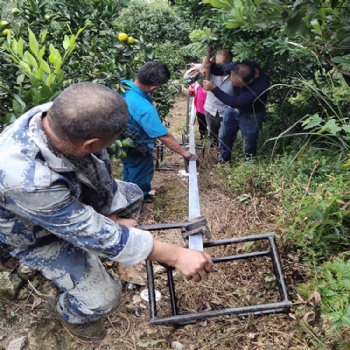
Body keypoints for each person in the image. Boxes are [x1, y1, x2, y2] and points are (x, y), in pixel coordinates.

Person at [0, 82, 213, 342]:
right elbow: (93, 232)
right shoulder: (25, 176)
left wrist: (111, 217)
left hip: (69, 204)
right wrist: (176, 255)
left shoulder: (60, 118)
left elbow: (99, 174)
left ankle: (100, 255)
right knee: (105, 299)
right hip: (38, 234)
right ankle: (70, 313)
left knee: (133, 193)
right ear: (91, 143)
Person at [121, 61, 199, 203]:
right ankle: (137, 199)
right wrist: (186, 154)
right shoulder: (144, 108)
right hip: (137, 145)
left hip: (121, 142)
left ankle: (126, 192)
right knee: (141, 171)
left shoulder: (122, 85)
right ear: (154, 87)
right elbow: (164, 136)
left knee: (129, 167)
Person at [203, 60, 270, 162]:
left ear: (249, 81)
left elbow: (236, 102)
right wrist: (210, 65)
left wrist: (214, 89)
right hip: (233, 110)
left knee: (249, 142)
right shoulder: (239, 67)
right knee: (224, 136)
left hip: (251, 115)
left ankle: (248, 162)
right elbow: (219, 70)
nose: (233, 84)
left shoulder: (261, 85)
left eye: (237, 84)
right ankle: (224, 159)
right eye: (232, 80)